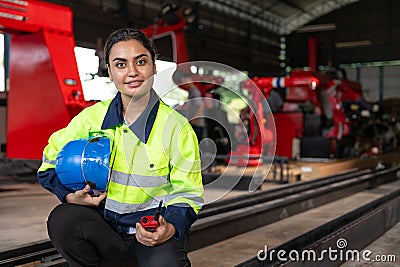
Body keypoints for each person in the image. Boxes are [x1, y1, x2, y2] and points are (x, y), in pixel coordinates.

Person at [37, 28, 204, 267]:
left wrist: (171, 227)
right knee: (63, 220)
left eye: (141, 62)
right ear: (110, 71)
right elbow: (48, 164)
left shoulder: (177, 128)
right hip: (105, 233)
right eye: (121, 64)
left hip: (151, 236)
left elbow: (187, 192)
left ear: (154, 66)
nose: (133, 72)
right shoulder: (91, 119)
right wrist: (69, 196)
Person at [172, 70, 205, 141]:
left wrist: (194, 119)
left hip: (197, 124)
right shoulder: (191, 91)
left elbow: (201, 106)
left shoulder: (194, 91)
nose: (184, 83)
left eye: (185, 81)